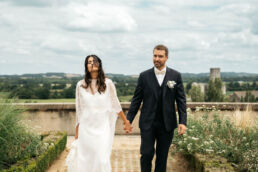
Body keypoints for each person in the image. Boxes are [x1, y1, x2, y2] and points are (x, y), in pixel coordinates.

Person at [66, 54, 132, 172]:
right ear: (86, 66)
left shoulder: (108, 83)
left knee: (102, 159)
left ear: (99, 64)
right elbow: (79, 110)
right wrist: (77, 133)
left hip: (102, 128)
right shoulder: (80, 85)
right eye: (89, 62)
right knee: (86, 161)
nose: (92, 63)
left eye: (94, 61)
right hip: (85, 129)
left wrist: (125, 121)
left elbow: (115, 104)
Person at [127, 45, 187, 172]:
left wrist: (183, 121)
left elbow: (181, 100)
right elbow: (136, 100)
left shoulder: (176, 76)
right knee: (147, 153)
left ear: (166, 58)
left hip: (167, 124)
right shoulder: (144, 76)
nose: (157, 59)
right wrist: (129, 120)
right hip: (148, 122)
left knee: (162, 157)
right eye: (155, 55)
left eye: (160, 56)